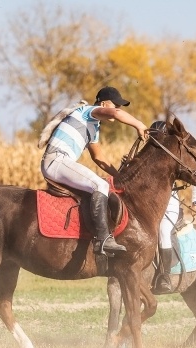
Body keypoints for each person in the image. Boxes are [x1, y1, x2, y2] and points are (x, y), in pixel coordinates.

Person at [40, 86, 148, 254]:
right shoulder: (88, 111)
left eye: (119, 106)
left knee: (102, 184)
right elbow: (116, 115)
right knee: (100, 186)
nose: (118, 109)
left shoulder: (93, 127)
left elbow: (99, 158)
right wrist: (139, 125)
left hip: (59, 161)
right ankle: (103, 239)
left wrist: (121, 176)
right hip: (57, 160)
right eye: (115, 105)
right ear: (104, 104)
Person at [150, 120, 196, 294]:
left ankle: (164, 276)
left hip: (168, 205)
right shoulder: (146, 156)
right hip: (146, 206)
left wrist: (195, 201)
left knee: (163, 231)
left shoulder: (176, 156)